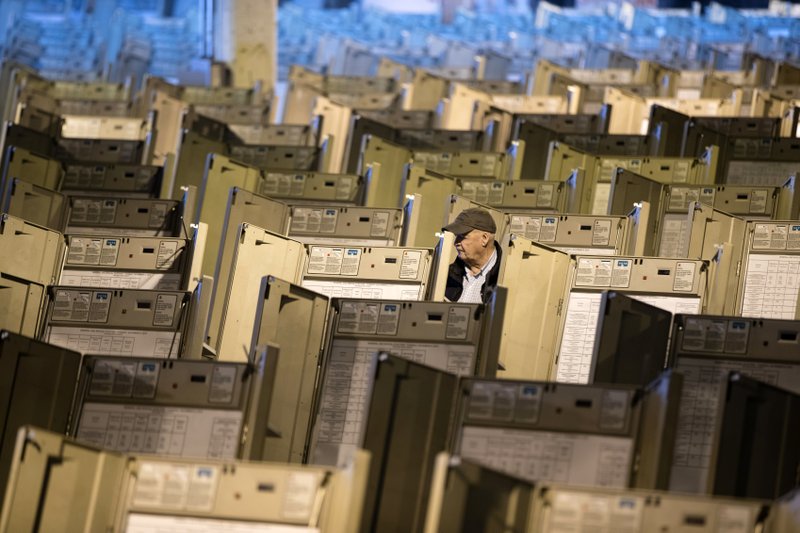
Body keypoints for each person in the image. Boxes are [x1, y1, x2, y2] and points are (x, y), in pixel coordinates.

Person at [442, 207, 502, 304]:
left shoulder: (505, 278)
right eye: (457, 236)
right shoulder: (447, 276)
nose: (456, 243)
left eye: (462, 237)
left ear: (484, 238)